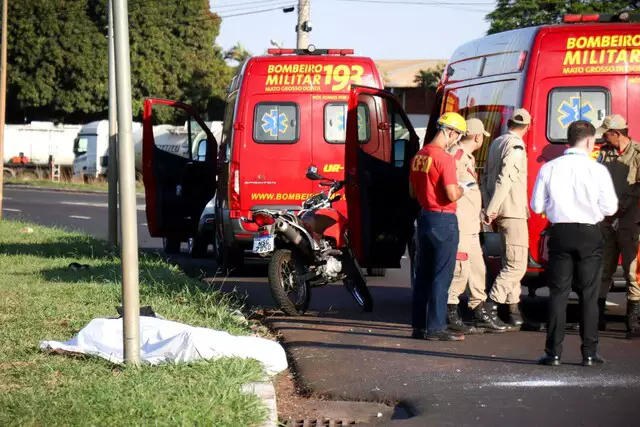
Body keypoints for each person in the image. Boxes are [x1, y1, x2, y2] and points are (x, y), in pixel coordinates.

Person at [531, 120, 617, 366]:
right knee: (589, 295)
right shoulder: (598, 170)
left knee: (558, 294)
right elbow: (610, 206)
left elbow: (536, 206)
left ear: (568, 140)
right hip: (590, 233)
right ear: (590, 141)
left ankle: (553, 353)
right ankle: (589, 353)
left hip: (560, 232)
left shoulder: (550, 168)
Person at [409, 112, 467, 341]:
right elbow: (452, 193)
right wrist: (464, 189)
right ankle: (436, 327)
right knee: (442, 276)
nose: (457, 140)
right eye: (458, 136)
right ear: (450, 131)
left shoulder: (419, 156)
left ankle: (419, 326)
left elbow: (412, 192)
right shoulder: (445, 158)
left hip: (424, 217)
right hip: (444, 219)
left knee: (423, 274)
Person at [446, 119, 508, 333]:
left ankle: (478, 309)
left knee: (477, 269)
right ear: (477, 137)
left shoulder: (467, 157)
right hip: (461, 223)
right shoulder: (457, 155)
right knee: (459, 269)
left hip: (471, 223)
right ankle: (451, 311)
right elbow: (449, 185)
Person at [481, 108, 531, 330]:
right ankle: (491, 306)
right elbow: (506, 180)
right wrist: (492, 208)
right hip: (512, 210)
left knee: (509, 260)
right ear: (527, 127)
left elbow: (485, 177)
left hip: (502, 210)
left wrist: (489, 204)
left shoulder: (496, 143)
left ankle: (514, 312)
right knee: (517, 265)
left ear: (509, 122)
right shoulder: (516, 147)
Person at [596, 114, 640, 333]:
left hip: (630, 221)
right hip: (607, 221)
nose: (604, 137)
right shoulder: (604, 154)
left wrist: (623, 207)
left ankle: (633, 319)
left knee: (632, 271)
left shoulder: (638, 154)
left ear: (617, 133)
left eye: (606, 133)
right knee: (604, 268)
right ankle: (597, 316)